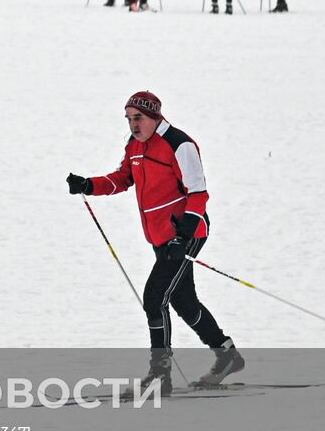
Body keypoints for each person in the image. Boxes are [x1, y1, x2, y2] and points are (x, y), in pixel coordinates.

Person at [66, 91, 244, 394]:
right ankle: (227, 355)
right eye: (129, 119)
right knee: (183, 302)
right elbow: (123, 179)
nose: (134, 125)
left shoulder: (179, 144)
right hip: (161, 237)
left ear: (155, 116)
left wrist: (182, 236)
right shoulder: (134, 146)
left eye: (139, 118)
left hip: (186, 233)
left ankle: (160, 374)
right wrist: (89, 185)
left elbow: (198, 193)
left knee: (154, 297)